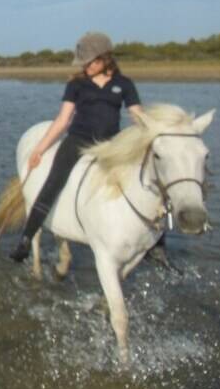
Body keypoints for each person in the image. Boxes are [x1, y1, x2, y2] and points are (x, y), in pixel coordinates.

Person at [9, 32, 143, 262]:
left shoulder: (124, 84)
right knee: (53, 182)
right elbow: (62, 120)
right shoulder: (76, 84)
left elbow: (138, 116)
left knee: (141, 179)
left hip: (110, 144)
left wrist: (152, 137)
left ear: (104, 59)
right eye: (83, 63)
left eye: (89, 62)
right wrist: (39, 149)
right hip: (78, 140)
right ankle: (26, 239)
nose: (85, 67)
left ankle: (157, 245)